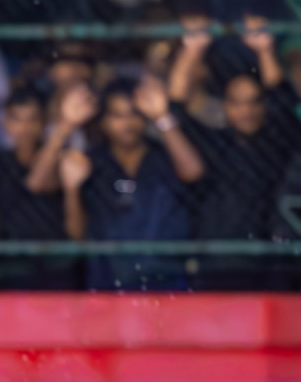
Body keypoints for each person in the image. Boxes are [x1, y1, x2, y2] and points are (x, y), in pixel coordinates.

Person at [170, 17, 301, 290]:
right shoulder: (214, 143)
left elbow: (282, 100)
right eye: (237, 103)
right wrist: (192, 51)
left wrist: (265, 50)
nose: (245, 110)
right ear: (225, 106)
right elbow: (176, 106)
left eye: (253, 102)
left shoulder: (276, 142)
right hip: (216, 263)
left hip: (270, 263)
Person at [61, 77, 206, 291]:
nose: (127, 123)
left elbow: (193, 171)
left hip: (165, 280)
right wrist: (71, 189)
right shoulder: (92, 162)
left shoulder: (164, 155)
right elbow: (77, 234)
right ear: (103, 121)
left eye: (134, 114)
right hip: (107, 283)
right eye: (117, 115)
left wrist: (162, 117)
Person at [0, 86, 88, 290]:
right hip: (10, 272)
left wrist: (65, 126)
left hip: (59, 272)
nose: (25, 127)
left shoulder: (61, 160)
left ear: (43, 123)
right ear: (5, 123)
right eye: (17, 119)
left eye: (32, 119)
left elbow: (37, 181)